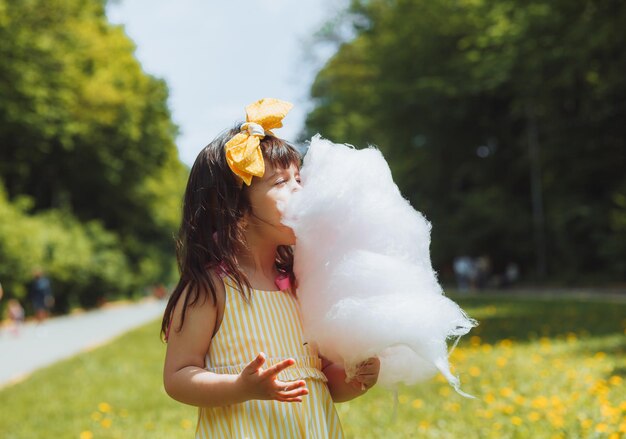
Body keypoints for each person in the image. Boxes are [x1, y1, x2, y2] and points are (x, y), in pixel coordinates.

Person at [162, 98, 380, 438]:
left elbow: (320, 380)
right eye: (281, 183)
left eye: (299, 179)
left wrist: (355, 378)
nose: (299, 190)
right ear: (235, 208)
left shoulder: (303, 284)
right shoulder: (213, 288)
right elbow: (178, 377)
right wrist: (241, 387)